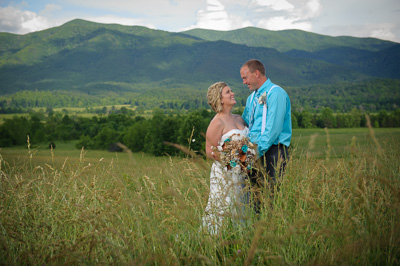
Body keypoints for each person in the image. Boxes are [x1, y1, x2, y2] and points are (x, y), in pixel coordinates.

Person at [240, 59, 292, 212]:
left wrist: (253, 153)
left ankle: (269, 231)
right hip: (254, 152)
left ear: (256, 73)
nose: (243, 82)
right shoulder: (251, 99)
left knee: (269, 197)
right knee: (254, 198)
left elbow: (272, 130)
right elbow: (245, 124)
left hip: (273, 152)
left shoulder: (276, 93)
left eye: (245, 78)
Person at [202, 81, 250, 234]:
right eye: (228, 92)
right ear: (220, 99)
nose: (232, 93)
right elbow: (209, 150)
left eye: (231, 90)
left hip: (242, 173)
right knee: (224, 205)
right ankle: (216, 239)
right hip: (225, 173)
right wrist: (230, 159)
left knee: (242, 206)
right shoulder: (217, 122)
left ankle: (240, 239)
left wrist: (245, 158)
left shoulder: (239, 118)